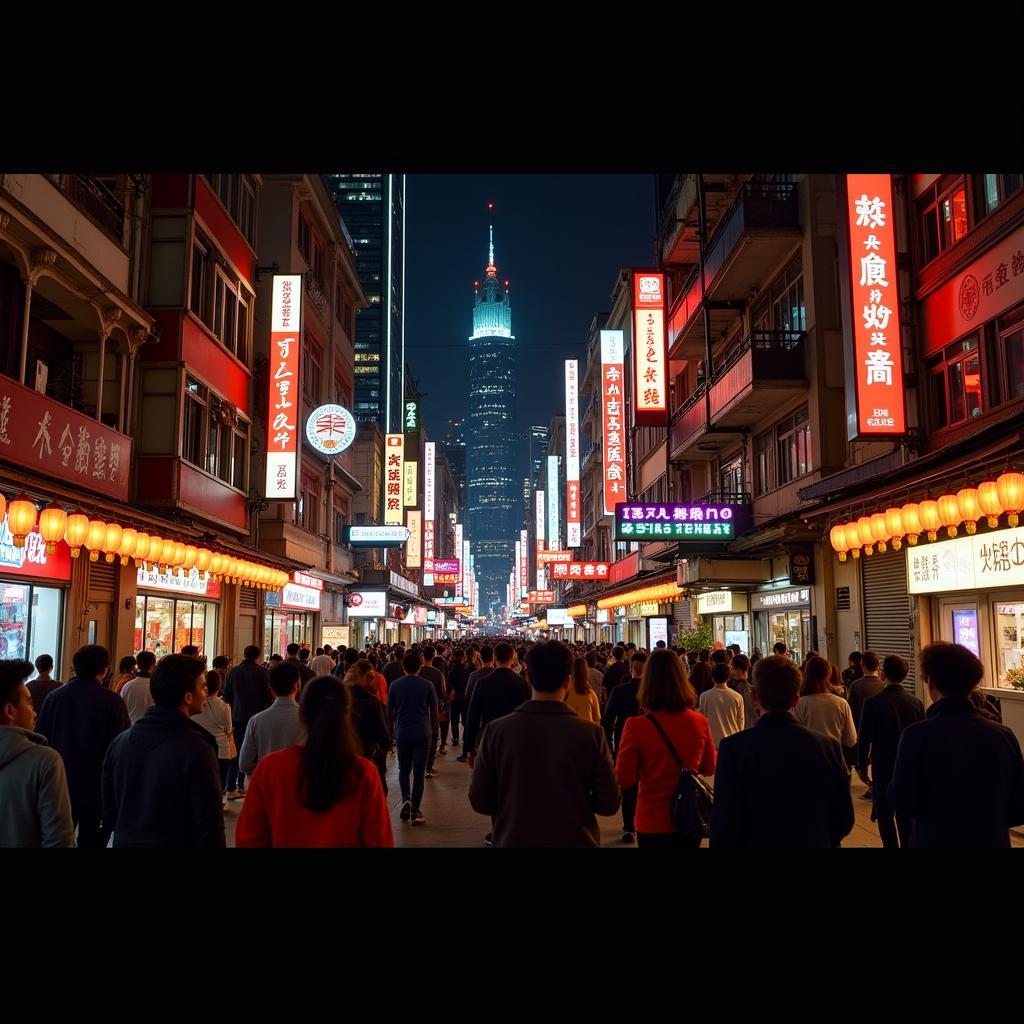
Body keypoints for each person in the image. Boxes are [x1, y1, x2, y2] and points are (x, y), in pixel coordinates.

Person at [468, 640, 620, 847]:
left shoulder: (496, 732)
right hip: (576, 839)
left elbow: (480, 800)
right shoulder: (591, 734)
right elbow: (609, 803)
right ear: (568, 681)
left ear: (528, 677)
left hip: (514, 838)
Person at [710, 655, 854, 848]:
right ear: (796, 700)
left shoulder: (734, 749)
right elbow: (843, 817)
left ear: (753, 696)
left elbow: (724, 821)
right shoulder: (828, 746)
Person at [889, 643, 1024, 848]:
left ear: (931, 682)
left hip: (934, 840)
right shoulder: (1002, 735)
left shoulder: (915, 736)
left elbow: (904, 800)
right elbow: (1017, 806)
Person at [235, 675, 392, 848]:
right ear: (347, 715)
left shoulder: (270, 768)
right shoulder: (363, 772)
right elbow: (379, 840)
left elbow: (249, 838)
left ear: (301, 714)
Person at [102, 654, 223, 847]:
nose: (206, 691)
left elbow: (109, 810)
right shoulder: (196, 749)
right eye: (202, 686)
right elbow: (209, 822)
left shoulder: (120, 743)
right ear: (188, 697)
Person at [614, 650, 716, 848]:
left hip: (651, 820)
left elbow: (624, 778)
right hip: (688, 817)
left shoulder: (636, 726)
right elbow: (709, 767)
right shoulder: (698, 722)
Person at [36, 644, 129, 848]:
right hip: (96, 787)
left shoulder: (55, 698)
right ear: (105, 669)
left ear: (74, 667)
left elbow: (40, 738)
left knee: (58, 838)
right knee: (91, 839)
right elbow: (120, 747)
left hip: (58, 782)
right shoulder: (112, 702)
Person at [0, 659, 75, 847]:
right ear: (9, 711)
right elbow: (59, 840)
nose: (34, 713)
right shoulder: (45, 762)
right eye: (29, 703)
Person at [855, 654, 924, 849]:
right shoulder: (916, 703)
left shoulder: (873, 703)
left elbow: (864, 739)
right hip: (909, 766)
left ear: (883, 674)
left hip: (883, 765)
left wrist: (861, 765)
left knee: (884, 814)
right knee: (905, 812)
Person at [387, 650, 437, 826]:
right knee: (418, 773)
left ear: (403, 667)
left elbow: (389, 714)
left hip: (402, 733)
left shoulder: (394, 685)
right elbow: (434, 711)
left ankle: (406, 798)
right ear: (420, 666)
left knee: (403, 770)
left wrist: (390, 736)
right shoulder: (427, 685)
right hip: (423, 733)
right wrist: (435, 731)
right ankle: (415, 810)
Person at [601, 651, 645, 842]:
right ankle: (644, 821)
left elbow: (607, 720)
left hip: (624, 743)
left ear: (630, 669)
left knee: (628, 786)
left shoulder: (620, 691)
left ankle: (629, 826)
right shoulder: (654, 691)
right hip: (651, 745)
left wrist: (610, 747)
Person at [463, 642, 531, 764]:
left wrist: (470, 748)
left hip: (489, 738)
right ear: (513, 658)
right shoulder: (523, 684)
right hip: (516, 740)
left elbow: (472, 717)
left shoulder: (482, 684)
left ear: (494, 658)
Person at [238, 660, 305, 778]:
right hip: (299, 786)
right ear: (297, 685)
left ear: (270, 688)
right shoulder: (309, 720)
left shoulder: (256, 721)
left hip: (267, 786)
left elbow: (245, 765)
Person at [222, 645, 273, 799]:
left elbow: (226, 696)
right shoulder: (264, 673)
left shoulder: (233, 672)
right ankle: (250, 786)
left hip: (237, 717)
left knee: (236, 752)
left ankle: (231, 787)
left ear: (244, 655)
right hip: (259, 717)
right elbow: (268, 697)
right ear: (258, 656)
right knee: (257, 752)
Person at [794, 655, 857, 757]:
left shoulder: (799, 704)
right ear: (828, 675)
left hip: (808, 762)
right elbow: (851, 740)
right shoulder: (841, 703)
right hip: (835, 761)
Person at [343, 659, 390, 793]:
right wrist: (387, 743)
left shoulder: (340, 699)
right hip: (368, 753)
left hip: (345, 753)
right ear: (368, 679)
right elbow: (381, 733)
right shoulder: (371, 703)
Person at [192, 669, 236, 809]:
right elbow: (228, 729)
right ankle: (218, 804)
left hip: (198, 747)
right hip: (221, 748)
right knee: (219, 782)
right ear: (219, 685)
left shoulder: (196, 703)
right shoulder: (224, 706)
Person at [458, 645, 495, 762]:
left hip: (478, 719)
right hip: (494, 718)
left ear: (480, 657)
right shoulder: (496, 675)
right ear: (493, 657)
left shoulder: (474, 675)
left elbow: (467, 695)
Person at [699, 661, 745, 748]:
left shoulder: (704, 696)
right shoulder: (737, 697)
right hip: (732, 741)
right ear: (728, 677)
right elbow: (740, 721)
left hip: (712, 742)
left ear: (712, 677)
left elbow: (702, 719)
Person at [419, 646, 447, 765]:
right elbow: (442, 692)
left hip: (419, 708)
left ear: (422, 657)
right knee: (434, 734)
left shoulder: (418, 671)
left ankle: (420, 761)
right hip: (434, 709)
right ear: (433, 657)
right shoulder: (437, 673)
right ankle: (429, 765)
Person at [446, 648, 471, 748]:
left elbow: (449, 685)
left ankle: (455, 738)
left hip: (455, 698)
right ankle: (465, 737)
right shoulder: (467, 670)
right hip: (465, 698)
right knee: (465, 719)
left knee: (454, 719)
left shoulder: (452, 671)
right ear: (463, 657)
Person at [565, 657, 601, 724]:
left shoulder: (566, 691)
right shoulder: (591, 693)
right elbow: (597, 718)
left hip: (570, 729)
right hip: (587, 731)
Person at [120, 661, 156, 726]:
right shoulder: (155, 686)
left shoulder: (127, 686)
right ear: (153, 665)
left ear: (137, 665)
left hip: (130, 726)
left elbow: (121, 708)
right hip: (149, 726)